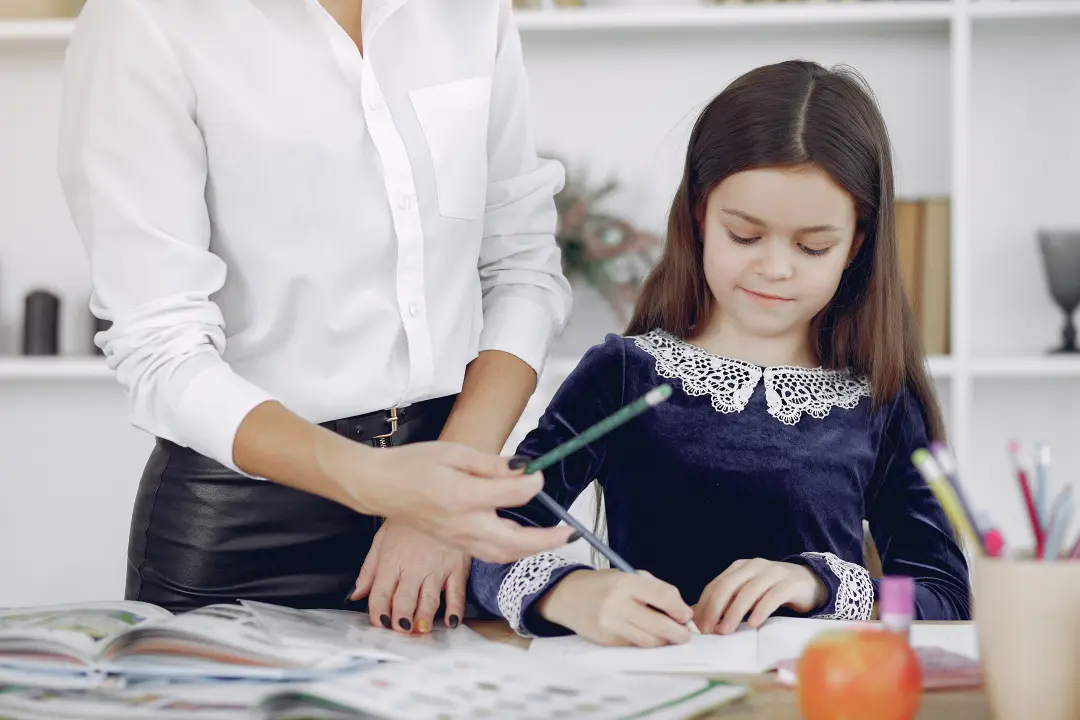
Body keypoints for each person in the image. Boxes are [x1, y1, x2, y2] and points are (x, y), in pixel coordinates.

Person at [56, 0, 575, 629]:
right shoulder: (144, 19)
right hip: (247, 532)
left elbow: (522, 267)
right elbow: (161, 348)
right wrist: (387, 484)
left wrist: (442, 495)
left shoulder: (469, 11)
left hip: (444, 515)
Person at [468, 60, 972, 647]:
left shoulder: (881, 395)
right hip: (649, 685)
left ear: (856, 245)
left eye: (813, 247)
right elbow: (481, 541)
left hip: (812, 688)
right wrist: (570, 592)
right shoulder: (624, 376)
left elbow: (944, 597)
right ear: (700, 215)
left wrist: (820, 586)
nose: (775, 268)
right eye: (745, 236)